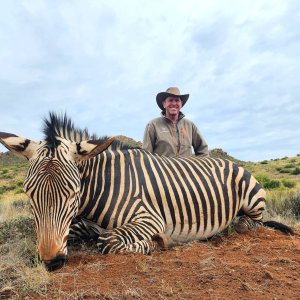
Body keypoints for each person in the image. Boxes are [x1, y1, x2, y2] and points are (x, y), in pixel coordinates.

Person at [143, 87, 209, 158]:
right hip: (162, 169)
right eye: (170, 100)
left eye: (177, 100)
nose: (174, 103)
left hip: (186, 169)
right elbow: (146, 155)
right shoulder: (153, 125)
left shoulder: (190, 126)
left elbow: (203, 151)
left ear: (181, 104)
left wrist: (197, 166)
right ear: (164, 104)